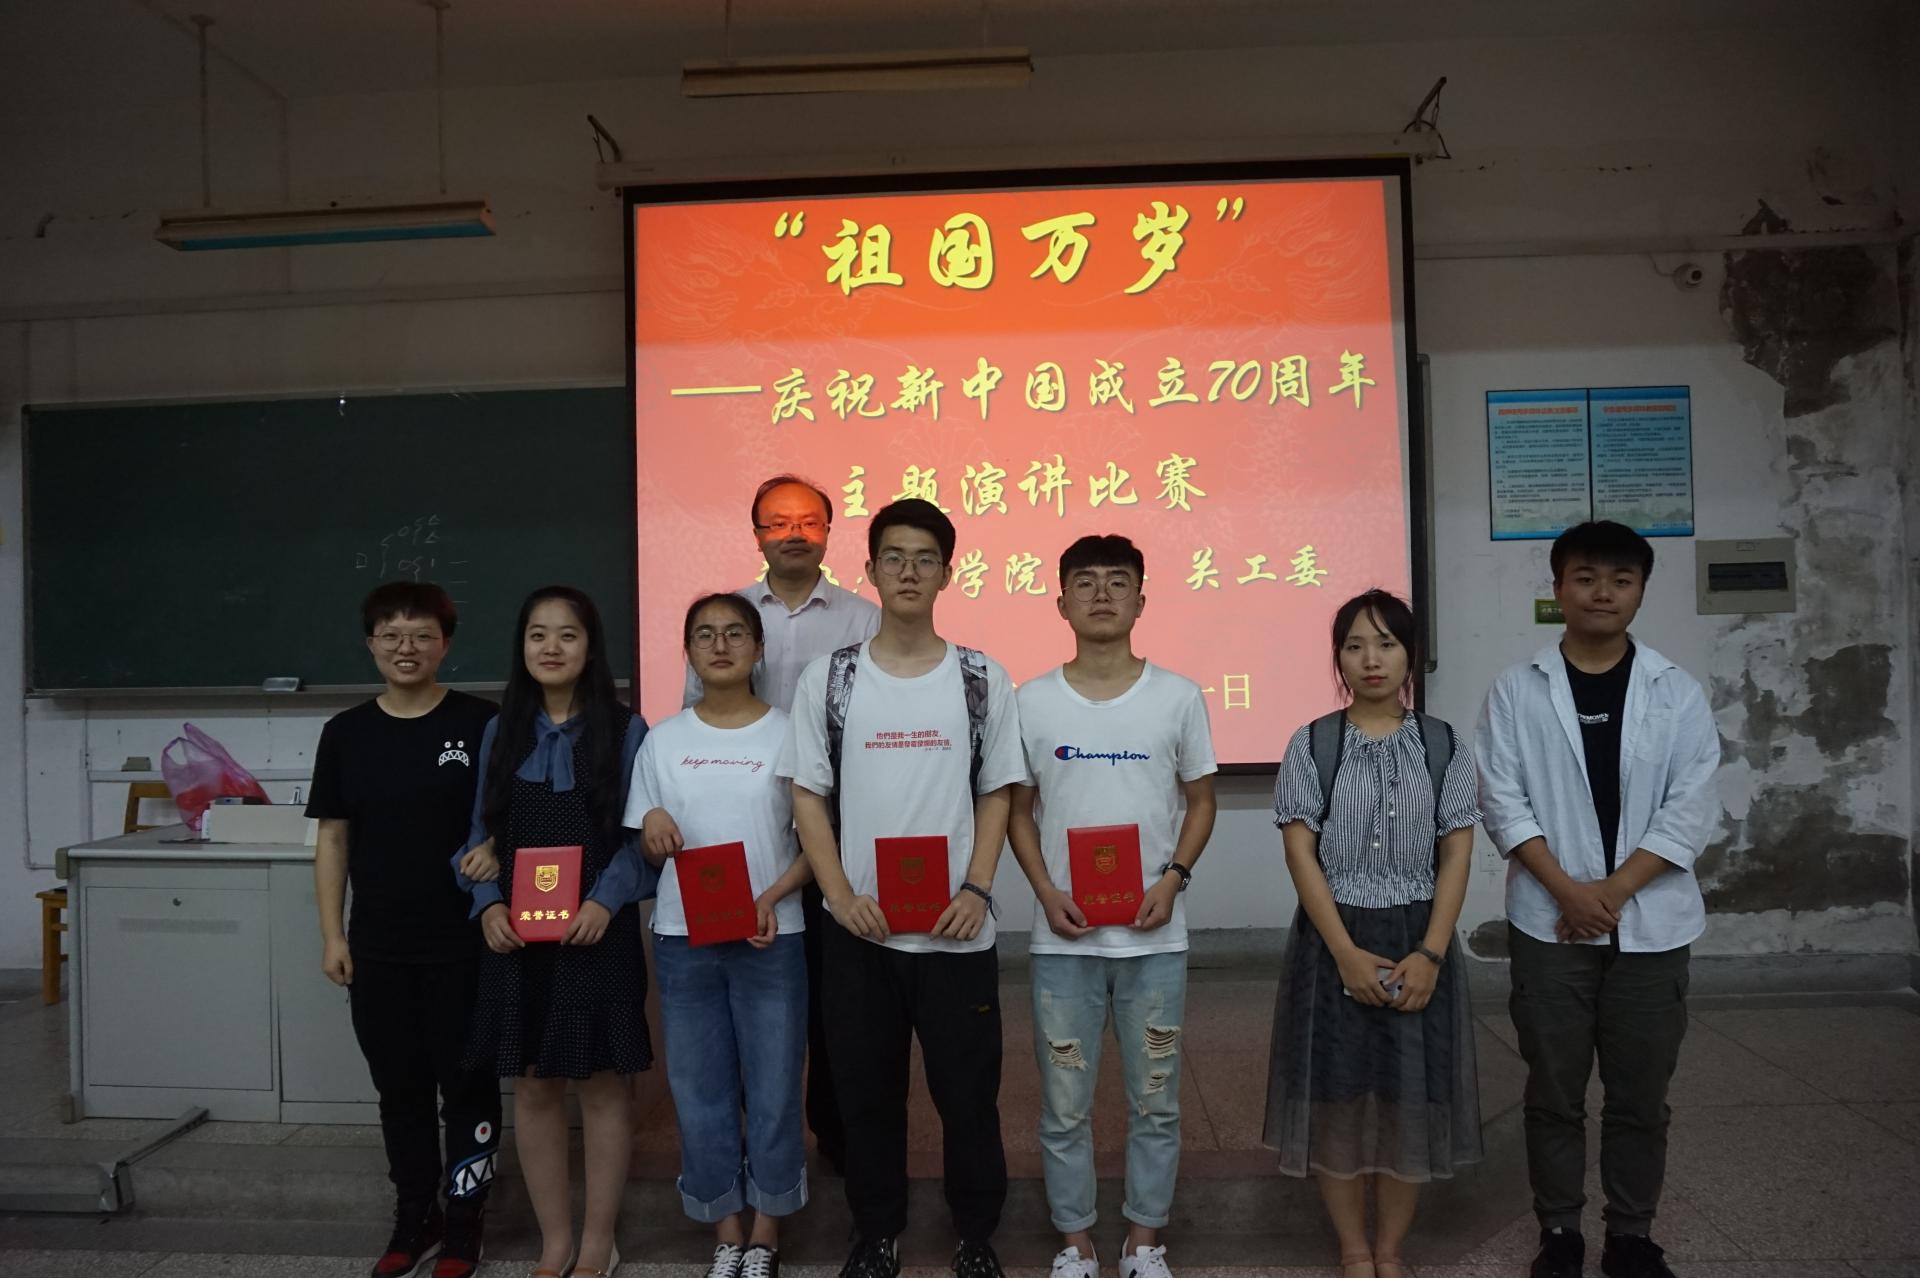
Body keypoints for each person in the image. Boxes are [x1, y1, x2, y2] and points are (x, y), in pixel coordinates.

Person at [778, 498, 1030, 1278]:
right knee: (867, 1098)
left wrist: (978, 889)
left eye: (925, 558)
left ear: (948, 573)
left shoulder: (980, 677)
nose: (909, 571)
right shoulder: (832, 678)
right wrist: (838, 895)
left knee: (968, 1098)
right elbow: (807, 796)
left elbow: (997, 791)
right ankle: (876, 1233)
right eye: (894, 557)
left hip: (958, 932)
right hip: (862, 933)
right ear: (871, 570)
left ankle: (976, 1236)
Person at [1475, 522, 1718, 1278]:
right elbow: (1501, 799)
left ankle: (1631, 1236)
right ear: (1558, 589)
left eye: (1621, 579)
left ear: (1641, 591)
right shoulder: (1518, 689)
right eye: (1585, 578)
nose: (1602, 592)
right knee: (1553, 1089)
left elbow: (1691, 808)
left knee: (1640, 1094)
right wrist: (1566, 892)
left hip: (1652, 925)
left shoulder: (1676, 691)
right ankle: (1559, 1232)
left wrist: (1609, 893)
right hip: (1549, 925)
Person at [1007, 535, 1218, 1278]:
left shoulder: (1177, 696)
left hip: (1154, 940)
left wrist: (1174, 878)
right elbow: (1018, 813)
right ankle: (1075, 1243)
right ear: (1061, 601)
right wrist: (1045, 891)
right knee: (1064, 1104)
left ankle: (1143, 1240)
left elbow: (1201, 801)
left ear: (1141, 600)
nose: (1102, 594)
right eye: (1086, 582)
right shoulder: (1030, 701)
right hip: (1062, 942)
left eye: (1118, 582)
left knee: (1156, 1098)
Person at [1264, 589, 1483, 1278]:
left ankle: (1389, 1249)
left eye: (1386, 643)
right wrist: (1345, 955)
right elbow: (1300, 853)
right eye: (1355, 645)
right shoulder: (1313, 744)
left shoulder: (1444, 744)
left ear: (1410, 654)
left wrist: (1431, 954)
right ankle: (1353, 1249)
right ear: (1339, 658)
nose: (1371, 659)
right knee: (1336, 1100)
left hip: (1420, 933)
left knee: (1409, 1101)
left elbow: (1457, 853)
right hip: (1334, 937)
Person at [453, 586, 652, 1278]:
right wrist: (487, 904)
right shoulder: (500, 730)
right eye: (538, 634)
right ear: (522, 647)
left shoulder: (626, 730)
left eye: (568, 635)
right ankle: (555, 1241)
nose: (551, 647)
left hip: (598, 931)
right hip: (517, 937)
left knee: (600, 1085)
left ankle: (599, 1240)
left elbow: (639, 839)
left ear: (591, 648)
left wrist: (605, 901)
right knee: (534, 1085)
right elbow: (477, 838)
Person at [686, 473, 880, 1175]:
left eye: (807, 522)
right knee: (750, 986)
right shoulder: (730, 617)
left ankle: (833, 1131)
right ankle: (754, 1136)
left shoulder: (863, 620)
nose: (793, 533)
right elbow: (695, 715)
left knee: (834, 994)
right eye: (777, 522)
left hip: (840, 826)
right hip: (752, 828)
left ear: (828, 532)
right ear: (756, 534)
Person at [308, 581, 501, 1278]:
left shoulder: (483, 723)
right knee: (400, 1089)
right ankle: (414, 1215)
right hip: (379, 946)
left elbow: (514, 815)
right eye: (391, 636)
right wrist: (333, 935)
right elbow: (333, 839)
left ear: (445, 644)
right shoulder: (346, 733)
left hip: (465, 943)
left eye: (421, 635)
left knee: (469, 1087)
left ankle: (466, 1222)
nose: (406, 648)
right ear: (371, 645)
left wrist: (499, 848)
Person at [631, 593, 813, 1278]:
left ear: (758, 648)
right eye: (705, 635)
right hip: (685, 939)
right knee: (698, 1088)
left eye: (735, 633)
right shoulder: (663, 740)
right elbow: (648, 838)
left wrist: (772, 896)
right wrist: (651, 831)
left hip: (773, 935)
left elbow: (817, 842)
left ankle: (767, 1228)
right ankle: (725, 1227)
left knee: (773, 1087)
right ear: (688, 652)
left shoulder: (789, 733)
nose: (720, 645)